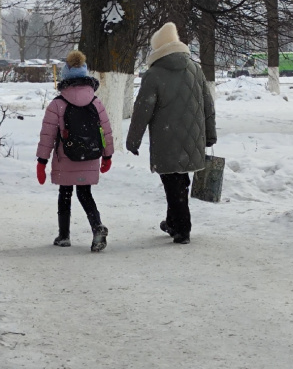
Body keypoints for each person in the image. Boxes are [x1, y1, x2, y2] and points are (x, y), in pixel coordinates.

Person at [126, 22, 217, 244]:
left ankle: (182, 229)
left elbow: (142, 110)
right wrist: (210, 134)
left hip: (166, 139)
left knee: (172, 182)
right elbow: (208, 104)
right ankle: (172, 222)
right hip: (192, 138)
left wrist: (133, 141)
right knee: (180, 180)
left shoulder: (154, 74)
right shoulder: (195, 69)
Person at [36, 50, 114, 252]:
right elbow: (105, 130)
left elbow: (48, 136)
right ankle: (97, 226)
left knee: (65, 193)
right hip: (90, 155)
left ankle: (64, 236)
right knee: (85, 193)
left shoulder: (57, 104)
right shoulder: (96, 102)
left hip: (66, 157)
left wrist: (41, 161)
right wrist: (107, 155)